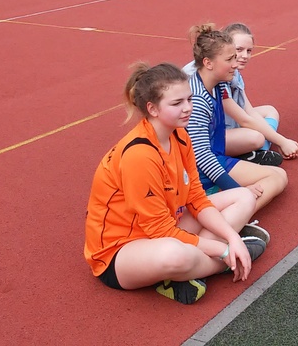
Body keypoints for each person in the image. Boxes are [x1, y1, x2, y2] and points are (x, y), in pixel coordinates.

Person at [84, 62, 269, 305]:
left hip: (168, 224)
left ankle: (198, 266)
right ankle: (222, 264)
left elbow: (196, 198)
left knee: (243, 196)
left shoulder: (179, 135)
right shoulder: (139, 155)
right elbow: (159, 231)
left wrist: (231, 238)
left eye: (189, 99)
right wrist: (223, 250)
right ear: (152, 109)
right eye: (177, 103)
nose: (187, 108)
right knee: (175, 254)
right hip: (120, 251)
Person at [185, 24, 288, 210]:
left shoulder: (218, 84)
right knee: (270, 179)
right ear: (208, 63)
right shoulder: (198, 100)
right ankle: (231, 215)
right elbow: (201, 157)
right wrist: (237, 189)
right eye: (230, 58)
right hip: (198, 172)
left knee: (279, 176)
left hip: (213, 158)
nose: (236, 63)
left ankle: (235, 209)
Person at [184, 23, 298, 166]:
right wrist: (282, 141)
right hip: (204, 135)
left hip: (222, 123)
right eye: (239, 50)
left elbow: (248, 110)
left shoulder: (229, 72)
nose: (244, 56)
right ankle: (249, 152)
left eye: (249, 50)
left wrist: (280, 140)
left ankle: (255, 150)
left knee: (270, 111)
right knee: (256, 138)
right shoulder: (210, 78)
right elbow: (244, 119)